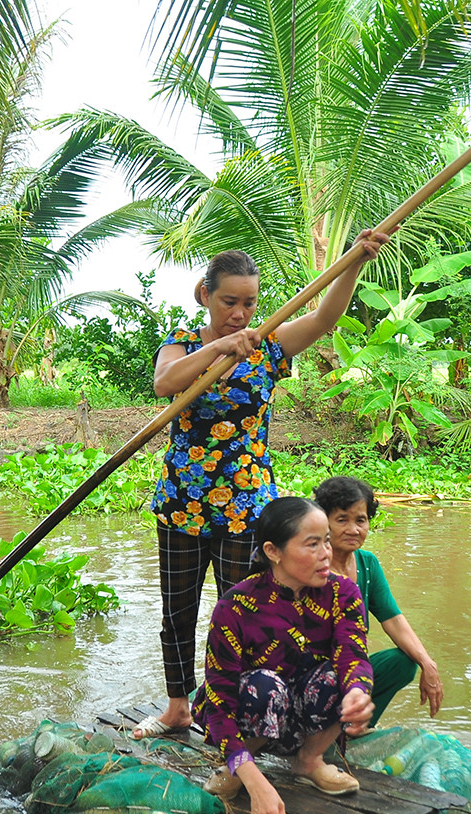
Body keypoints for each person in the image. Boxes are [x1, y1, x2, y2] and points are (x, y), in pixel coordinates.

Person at [132, 231, 391, 740]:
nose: (240, 313)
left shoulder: (269, 344)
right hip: (183, 502)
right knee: (177, 614)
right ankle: (178, 708)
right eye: (229, 302)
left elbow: (324, 319)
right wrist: (221, 347)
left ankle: (236, 715)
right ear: (205, 295)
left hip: (248, 506)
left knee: (249, 612)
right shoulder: (183, 345)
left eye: (249, 303)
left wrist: (354, 262)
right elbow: (165, 385)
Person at [190, 497, 374, 814]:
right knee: (264, 687)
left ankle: (309, 760)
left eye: (326, 540)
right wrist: (255, 782)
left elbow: (354, 656)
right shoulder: (235, 606)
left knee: (347, 680)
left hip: (305, 720)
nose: (327, 552)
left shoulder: (343, 593)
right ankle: (238, 767)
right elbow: (219, 702)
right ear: (273, 551)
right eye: (312, 543)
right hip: (253, 716)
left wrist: (356, 692)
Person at [313, 475, 443, 724]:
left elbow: (392, 618)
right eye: (342, 520)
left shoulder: (367, 564)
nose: (354, 530)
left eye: (361, 520)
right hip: (313, 672)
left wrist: (428, 664)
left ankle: (357, 728)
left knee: (405, 662)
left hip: (351, 670)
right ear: (324, 522)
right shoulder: (311, 565)